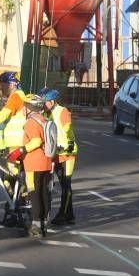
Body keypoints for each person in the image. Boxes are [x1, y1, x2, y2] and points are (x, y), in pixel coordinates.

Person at [7, 94, 52, 237]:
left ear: (29, 107)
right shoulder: (43, 120)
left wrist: (21, 150)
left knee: (34, 193)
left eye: (25, 106)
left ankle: (36, 225)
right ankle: (44, 222)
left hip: (33, 163)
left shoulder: (30, 122)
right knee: (43, 193)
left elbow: (36, 141)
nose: (23, 109)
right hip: (46, 162)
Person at [39, 88, 77, 225]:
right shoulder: (44, 113)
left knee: (66, 184)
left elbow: (67, 128)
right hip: (54, 153)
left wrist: (68, 142)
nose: (43, 104)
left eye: (45, 102)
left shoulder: (62, 111)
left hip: (67, 152)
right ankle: (70, 215)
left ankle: (63, 214)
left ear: (52, 101)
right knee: (62, 184)